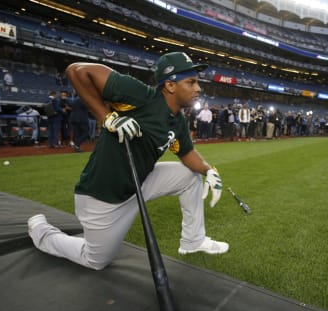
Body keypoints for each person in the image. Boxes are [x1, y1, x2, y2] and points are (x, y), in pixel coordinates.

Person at [27, 52, 228, 271]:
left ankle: (193, 241)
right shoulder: (138, 94)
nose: (198, 88)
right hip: (103, 196)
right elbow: (76, 70)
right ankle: (41, 231)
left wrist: (209, 170)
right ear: (170, 85)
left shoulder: (177, 120)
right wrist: (107, 117)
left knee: (190, 176)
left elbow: (187, 154)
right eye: (191, 82)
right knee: (95, 260)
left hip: (140, 182)